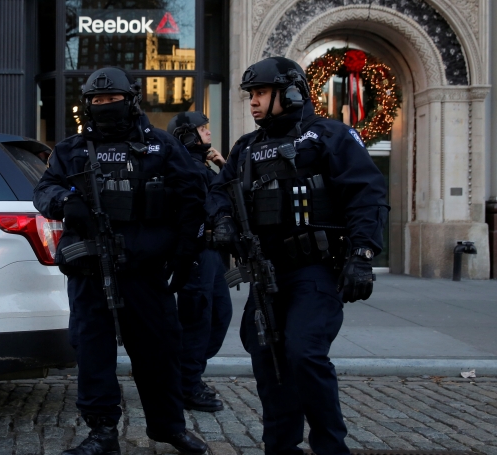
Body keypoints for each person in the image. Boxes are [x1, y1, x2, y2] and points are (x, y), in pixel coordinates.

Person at [210, 57, 388, 455]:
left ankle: (329, 447)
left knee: (304, 353)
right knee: (268, 360)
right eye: (251, 95)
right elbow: (219, 192)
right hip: (264, 271)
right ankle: (280, 445)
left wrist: (362, 253)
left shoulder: (330, 136)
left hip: (315, 269)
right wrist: (221, 220)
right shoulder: (247, 148)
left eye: (260, 93)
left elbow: (367, 194)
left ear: (290, 92)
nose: (253, 103)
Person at [34, 67, 209, 455]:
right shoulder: (70, 150)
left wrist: (186, 253)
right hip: (89, 269)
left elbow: (192, 198)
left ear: (130, 101)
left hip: (145, 271)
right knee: (93, 353)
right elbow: (44, 189)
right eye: (97, 102)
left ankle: (168, 427)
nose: (104, 107)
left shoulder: (161, 146)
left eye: (111, 100)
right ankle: (102, 433)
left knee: (159, 352)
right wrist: (65, 203)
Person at [166, 112, 233, 413]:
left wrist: (222, 165)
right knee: (198, 320)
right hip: (196, 254)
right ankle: (187, 385)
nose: (208, 133)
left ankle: (186, 377)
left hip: (212, 255)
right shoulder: (184, 168)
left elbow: (231, 198)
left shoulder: (202, 166)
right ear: (186, 135)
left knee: (218, 317)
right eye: (202, 129)